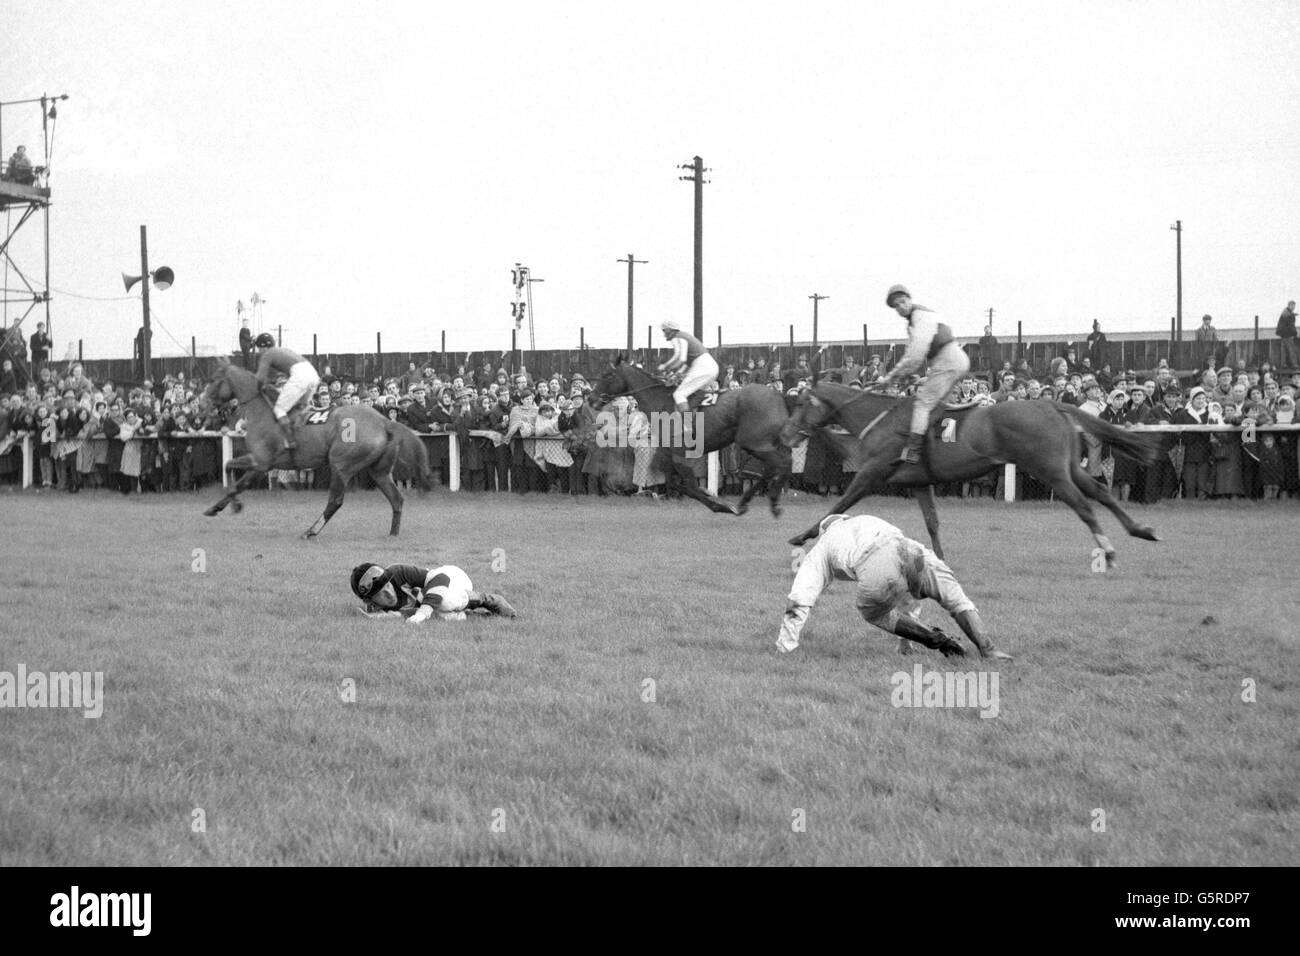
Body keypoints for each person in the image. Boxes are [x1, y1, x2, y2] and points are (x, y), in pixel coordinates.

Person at [777, 514, 1013, 660]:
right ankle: (988, 649)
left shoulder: (823, 545)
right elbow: (899, 563)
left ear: (824, 530)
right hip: (912, 551)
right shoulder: (866, 519)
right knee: (953, 597)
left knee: (875, 612)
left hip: (876, 564)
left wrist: (785, 646)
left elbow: (799, 599)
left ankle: (936, 640)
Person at [879, 284, 971, 464]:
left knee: (922, 403)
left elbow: (915, 355)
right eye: (896, 306)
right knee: (936, 406)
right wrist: (903, 375)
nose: (900, 307)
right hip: (953, 360)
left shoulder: (919, 316)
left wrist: (891, 377)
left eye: (903, 302)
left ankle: (913, 452)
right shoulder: (917, 319)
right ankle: (937, 446)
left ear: (910, 300)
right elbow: (915, 357)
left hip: (947, 360)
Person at [350, 562, 517, 622]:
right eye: (380, 592)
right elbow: (404, 615)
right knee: (442, 617)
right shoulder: (374, 610)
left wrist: (424, 611)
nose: (388, 592)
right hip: (439, 601)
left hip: (453, 578)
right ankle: (485, 618)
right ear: (370, 601)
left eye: (387, 585)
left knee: (443, 603)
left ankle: (488, 599)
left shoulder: (397, 572)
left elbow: (441, 578)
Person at [252, 332, 320, 449]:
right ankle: (305, 434)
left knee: (279, 409)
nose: (259, 351)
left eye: (259, 348)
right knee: (301, 407)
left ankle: (290, 441)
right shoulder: (281, 350)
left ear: (263, 347)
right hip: (313, 374)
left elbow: (260, 378)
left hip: (300, 375)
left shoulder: (267, 354)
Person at [656, 318, 718, 444]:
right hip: (710, 366)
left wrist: (665, 366)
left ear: (670, 330)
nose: (664, 334)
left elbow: (680, 358)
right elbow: (685, 365)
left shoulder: (677, 337)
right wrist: (676, 375)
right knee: (694, 396)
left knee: (678, 394)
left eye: (664, 331)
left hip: (702, 367)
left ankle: (688, 428)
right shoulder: (685, 337)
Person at [1277, 300, 1298, 370]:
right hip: (1288, 335)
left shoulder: (1285, 312)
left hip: (1283, 335)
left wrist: (1293, 314)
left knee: (1284, 350)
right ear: (1289, 305)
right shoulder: (1288, 314)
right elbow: (1291, 325)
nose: (1293, 307)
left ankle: (1283, 364)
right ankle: (1294, 364)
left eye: (1294, 306)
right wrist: (1295, 334)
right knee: (1291, 350)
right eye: (1292, 306)